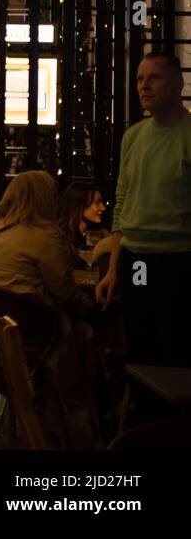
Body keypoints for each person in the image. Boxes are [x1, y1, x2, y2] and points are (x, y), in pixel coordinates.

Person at [0, 170, 97, 446]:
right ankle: (75, 426)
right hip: (34, 338)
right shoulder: (46, 236)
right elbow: (66, 294)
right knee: (87, 336)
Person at [96, 52, 191, 369]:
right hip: (135, 257)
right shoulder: (133, 137)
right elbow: (122, 202)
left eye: (154, 78)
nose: (144, 86)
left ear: (178, 83)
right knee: (139, 349)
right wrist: (113, 268)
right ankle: (144, 416)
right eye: (139, 78)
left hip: (177, 259)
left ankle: (171, 418)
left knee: (174, 350)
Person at [56, 181, 112, 271]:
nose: (103, 207)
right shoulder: (59, 236)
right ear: (80, 205)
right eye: (97, 202)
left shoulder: (101, 235)